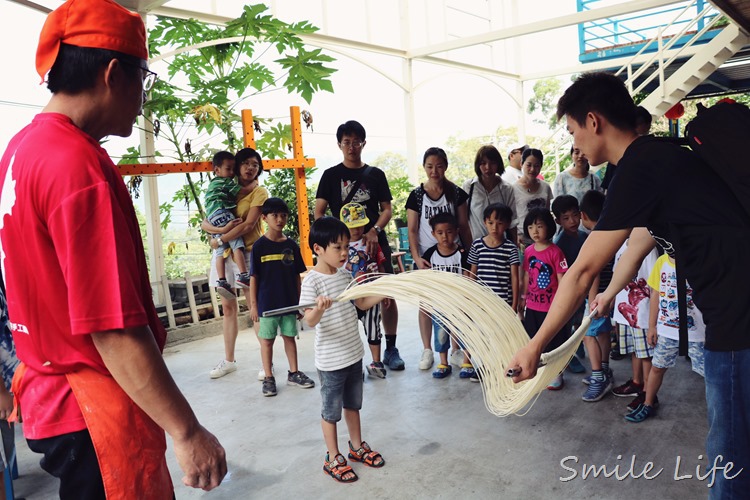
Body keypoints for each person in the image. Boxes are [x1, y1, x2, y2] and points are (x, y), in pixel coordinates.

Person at [0, 0, 226, 496]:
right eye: (142, 79)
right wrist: (187, 432)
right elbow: (113, 328)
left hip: (48, 395)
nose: (143, 99)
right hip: (92, 408)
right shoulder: (73, 166)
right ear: (112, 74)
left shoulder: (20, 151)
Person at [508, 72, 750, 499]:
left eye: (573, 132)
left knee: (730, 458)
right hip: (735, 311)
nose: (575, 145)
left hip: (737, 321)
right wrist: (608, 294)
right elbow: (637, 242)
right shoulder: (660, 158)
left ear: (593, 121)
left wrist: (537, 345)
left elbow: (582, 269)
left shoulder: (639, 166)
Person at [300, 217, 386, 483]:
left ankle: (356, 447)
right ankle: (333, 456)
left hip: (353, 354)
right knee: (331, 412)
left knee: (353, 406)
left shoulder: (346, 275)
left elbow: (361, 304)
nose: (343, 253)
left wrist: (385, 290)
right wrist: (319, 308)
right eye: (337, 247)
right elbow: (308, 321)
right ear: (318, 249)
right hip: (331, 361)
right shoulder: (312, 282)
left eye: (346, 247)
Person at [314, 120, 404, 371]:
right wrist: (337, 239)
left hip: (374, 242)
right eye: (346, 142)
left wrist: (375, 230)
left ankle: (391, 347)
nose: (351, 147)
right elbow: (319, 213)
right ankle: (350, 356)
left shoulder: (375, 174)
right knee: (343, 295)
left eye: (356, 142)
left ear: (363, 143)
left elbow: (387, 209)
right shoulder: (330, 175)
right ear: (339, 144)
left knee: (385, 292)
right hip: (344, 248)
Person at [202, 147, 269, 380]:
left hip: (247, 253)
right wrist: (217, 234)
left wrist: (219, 239)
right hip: (224, 254)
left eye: (256, 164)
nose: (251, 168)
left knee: (255, 308)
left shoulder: (259, 191)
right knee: (228, 308)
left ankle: (266, 363)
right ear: (237, 166)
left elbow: (249, 225)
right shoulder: (225, 188)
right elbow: (205, 221)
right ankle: (229, 360)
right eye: (247, 163)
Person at [406, 147, 472, 370]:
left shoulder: (456, 193)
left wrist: (470, 257)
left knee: (456, 304)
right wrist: (417, 258)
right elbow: (412, 230)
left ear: (446, 166)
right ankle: (428, 350)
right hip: (428, 259)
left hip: (453, 256)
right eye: (429, 166)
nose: (434, 171)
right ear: (424, 167)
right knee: (427, 304)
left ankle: (455, 350)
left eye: (439, 166)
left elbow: (463, 225)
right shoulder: (416, 196)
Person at [626, 252, 706, 423]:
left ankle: (721, 410)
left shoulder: (701, 258)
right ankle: (648, 403)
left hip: (697, 332)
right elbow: (655, 294)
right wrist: (652, 326)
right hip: (667, 331)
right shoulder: (662, 262)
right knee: (657, 367)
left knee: (710, 374)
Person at [250, 197, 315, 397]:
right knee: (267, 341)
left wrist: (299, 303)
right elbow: (254, 277)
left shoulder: (292, 246)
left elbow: (297, 277)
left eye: (283, 216)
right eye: (275, 215)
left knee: (290, 338)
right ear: (264, 218)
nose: (279, 219)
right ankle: (269, 377)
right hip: (267, 305)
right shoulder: (259, 247)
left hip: (289, 304)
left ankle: (294, 373)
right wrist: (253, 305)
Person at [466, 203, 520, 381]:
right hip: (482, 302)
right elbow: (472, 272)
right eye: (490, 223)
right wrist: (470, 298)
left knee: (501, 334)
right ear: (484, 223)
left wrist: (514, 303)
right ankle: (484, 366)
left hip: (503, 301)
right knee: (484, 335)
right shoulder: (477, 245)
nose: (494, 227)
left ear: (507, 224)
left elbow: (514, 277)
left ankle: (501, 365)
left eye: (499, 223)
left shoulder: (511, 248)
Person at [518, 208, 569, 390]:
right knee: (533, 337)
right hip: (532, 306)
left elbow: (563, 279)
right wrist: (523, 297)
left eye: (539, 226)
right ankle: (538, 370)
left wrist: (562, 303)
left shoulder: (556, 252)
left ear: (549, 227)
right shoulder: (529, 251)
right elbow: (525, 276)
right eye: (531, 227)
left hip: (551, 307)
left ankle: (556, 373)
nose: (535, 231)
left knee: (554, 341)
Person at [341, 202, 390, 379]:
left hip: (371, 293)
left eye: (359, 224)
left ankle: (376, 362)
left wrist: (384, 290)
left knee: (373, 328)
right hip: (349, 296)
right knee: (349, 330)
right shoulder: (341, 247)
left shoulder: (371, 243)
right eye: (351, 226)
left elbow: (381, 265)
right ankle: (352, 366)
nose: (355, 229)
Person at [610, 237, 659, 412]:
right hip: (624, 311)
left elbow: (655, 286)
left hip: (643, 312)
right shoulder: (621, 243)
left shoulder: (647, 246)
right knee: (634, 349)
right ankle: (637, 382)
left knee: (645, 354)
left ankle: (648, 393)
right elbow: (617, 276)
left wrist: (652, 323)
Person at [577, 190, 616, 402]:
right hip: (609, 296)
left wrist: (591, 304)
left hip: (597, 298)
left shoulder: (594, 238)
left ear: (583, 216)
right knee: (602, 333)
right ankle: (605, 370)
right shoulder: (611, 233)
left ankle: (599, 378)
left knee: (587, 334)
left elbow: (594, 273)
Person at [421, 213, 470, 379]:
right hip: (440, 303)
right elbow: (425, 277)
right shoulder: (429, 254)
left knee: (464, 331)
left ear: (456, 231)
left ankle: (467, 361)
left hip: (460, 302)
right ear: (433, 233)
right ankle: (443, 363)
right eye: (440, 233)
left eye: (449, 232)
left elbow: (467, 276)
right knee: (441, 333)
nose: (444, 236)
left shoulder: (462, 253)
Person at [204, 151, 253, 297]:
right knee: (236, 243)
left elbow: (204, 223)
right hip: (223, 213)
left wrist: (220, 232)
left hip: (212, 216)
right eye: (228, 169)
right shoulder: (225, 182)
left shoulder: (212, 183)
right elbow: (243, 190)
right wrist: (254, 184)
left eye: (233, 169)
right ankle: (244, 275)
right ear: (217, 170)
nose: (232, 173)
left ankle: (222, 280)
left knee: (220, 251)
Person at [550, 194, 588, 375]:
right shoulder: (559, 244)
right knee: (566, 323)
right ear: (558, 221)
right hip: (568, 290)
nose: (572, 221)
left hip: (585, 288)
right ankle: (569, 356)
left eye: (575, 215)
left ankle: (577, 343)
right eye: (566, 218)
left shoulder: (584, 236)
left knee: (580, 320)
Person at [462, 145, 517, 243]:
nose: (488, 167)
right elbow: (463, 220)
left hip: (501, 246)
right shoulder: (469, 187)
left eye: (492, 163)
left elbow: (512, 221)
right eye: (483, 163)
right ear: (478, 165)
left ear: (498, 164)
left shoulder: (507, 189)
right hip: (476, 246)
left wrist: (514, 246)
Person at [513, 148, 553, 248]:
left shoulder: (545, 187)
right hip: (523, 241)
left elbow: (547, 213)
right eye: (529, 165)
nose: (532, 169)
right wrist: (515, 237)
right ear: (522, 164)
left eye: (536, 166)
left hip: (543, 240)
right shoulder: (512, 189)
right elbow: (510, 217)